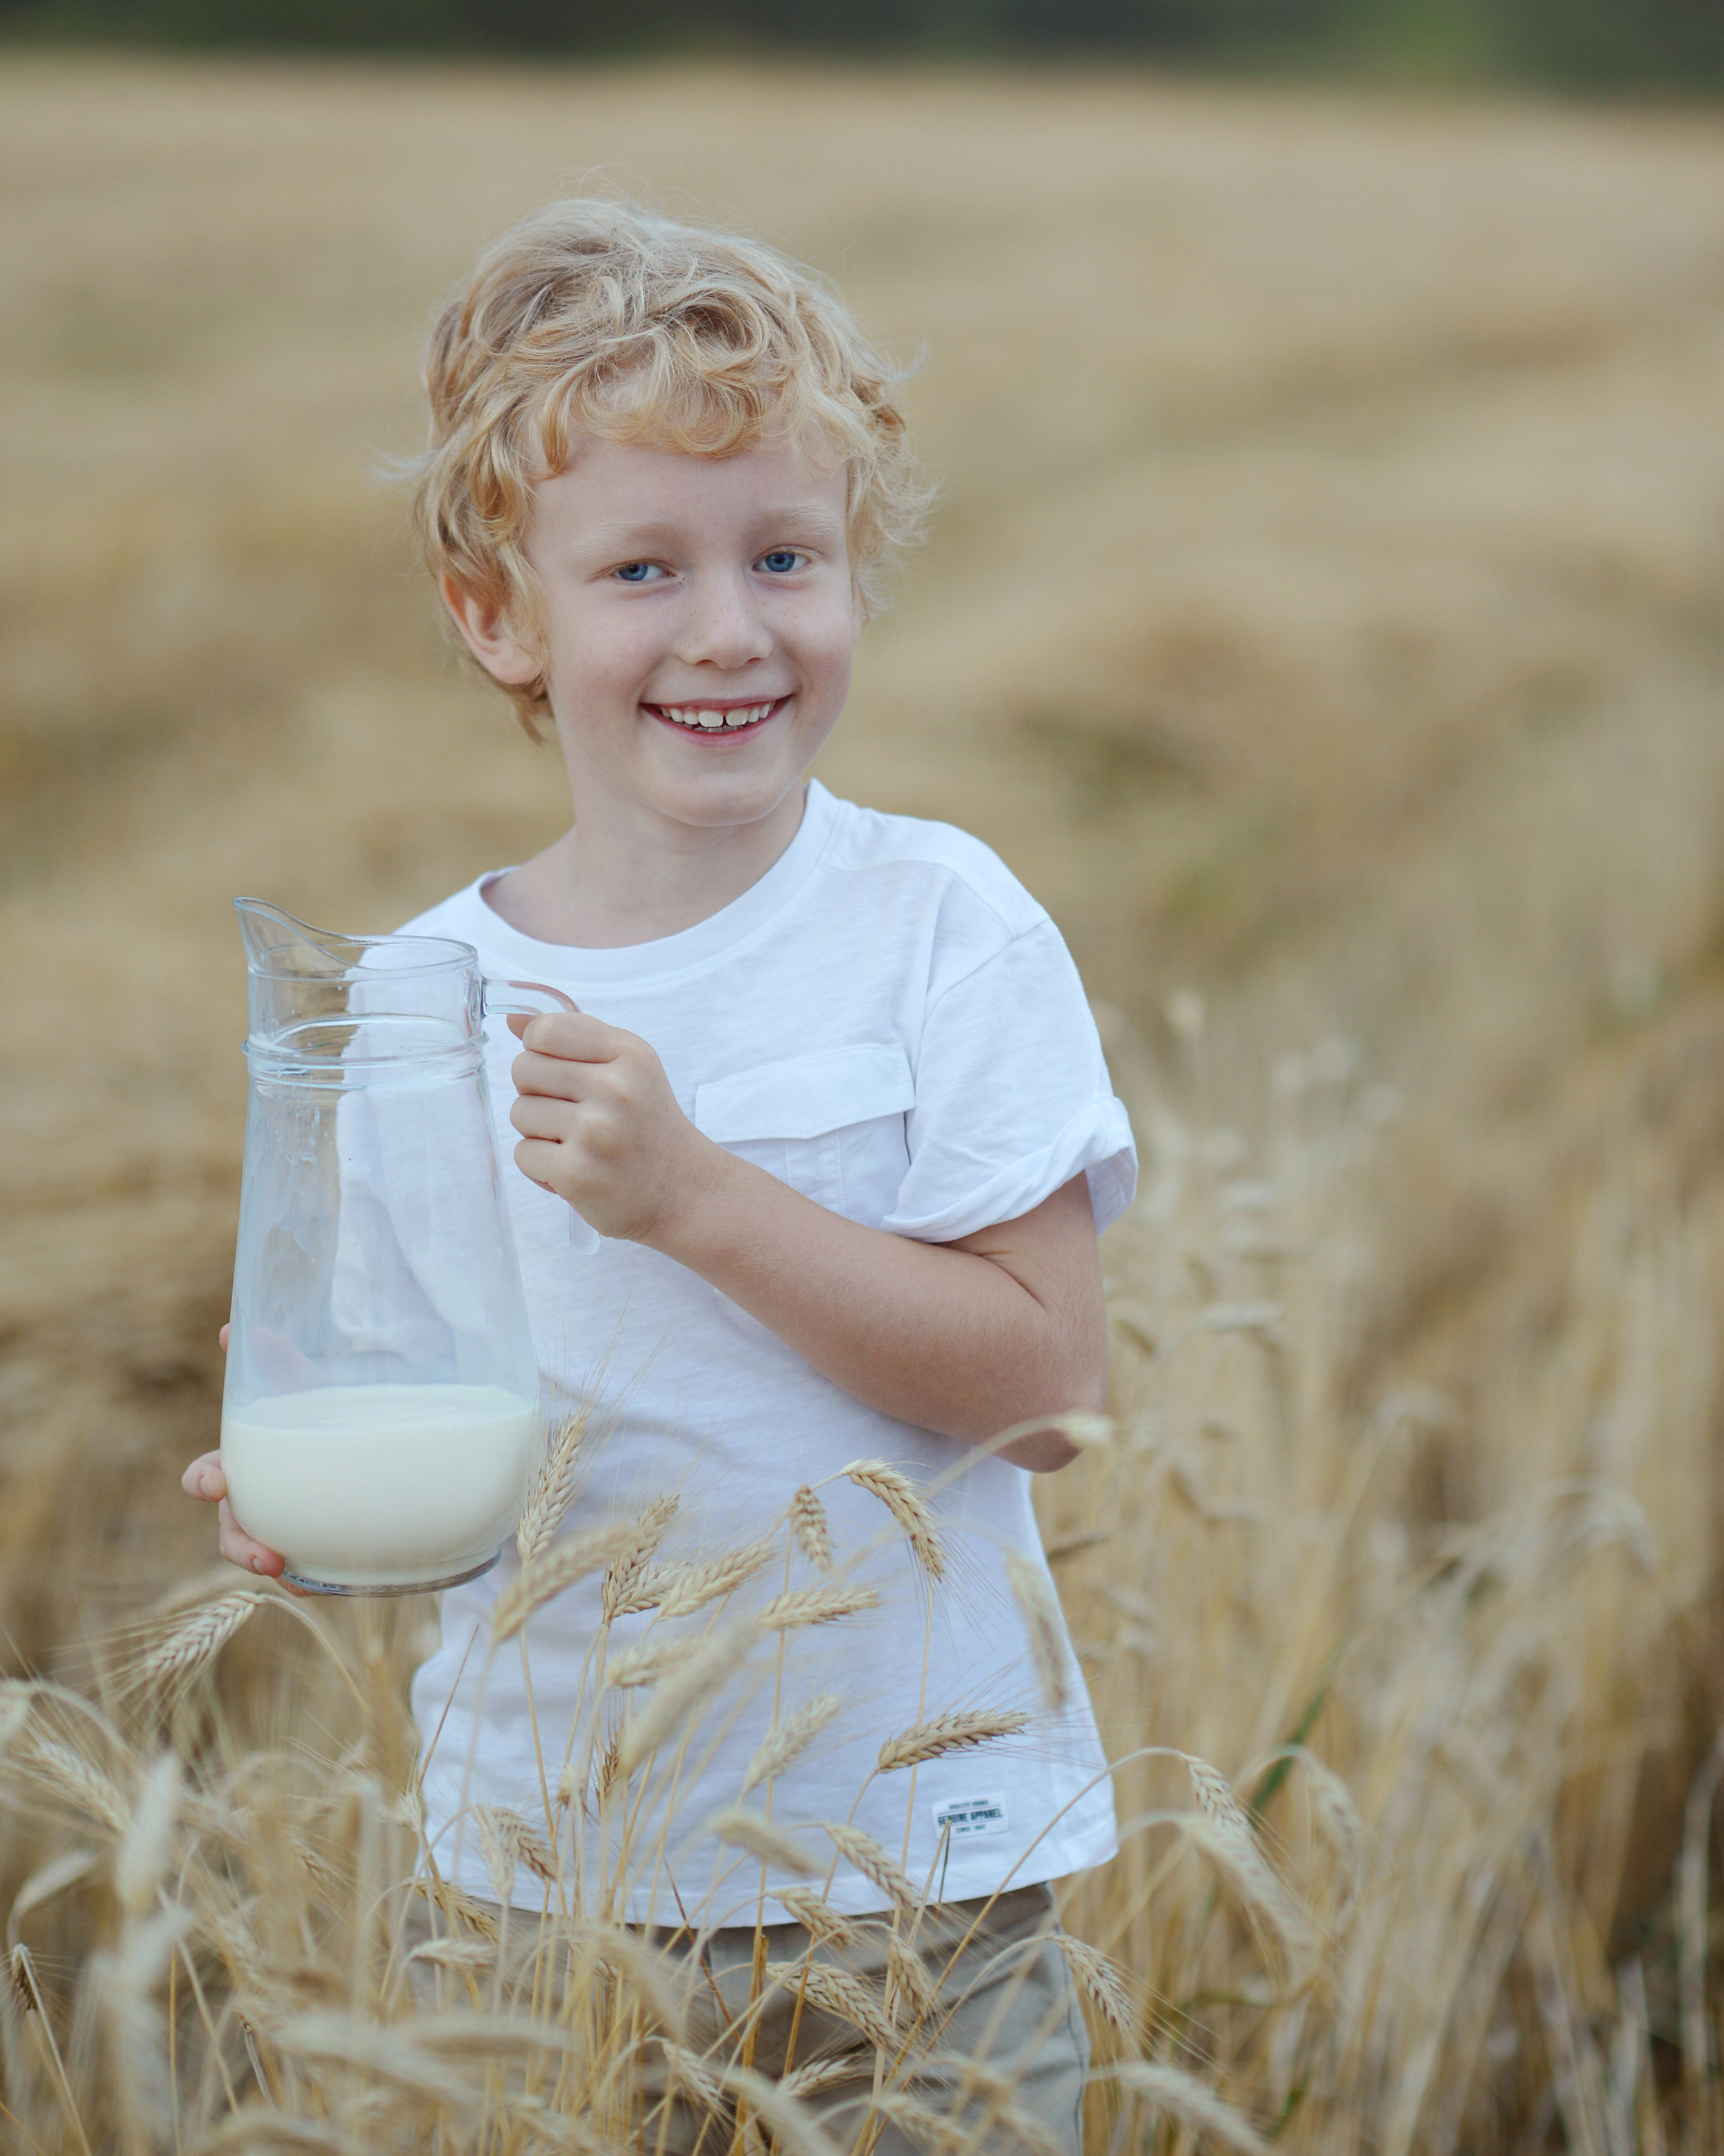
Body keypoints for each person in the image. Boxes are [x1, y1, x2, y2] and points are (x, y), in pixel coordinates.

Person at [183, 198, 1135, 2152]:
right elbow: (446, 1435)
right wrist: (316, 1492)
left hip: (920, 1892)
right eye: (642, 568)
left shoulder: (944, 925)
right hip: (543, 1893)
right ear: (497, 614)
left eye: (786, 554)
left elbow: (1049, 1391)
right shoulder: (418, 1005)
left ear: (855, 569)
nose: (728, 629)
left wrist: (696, 1198)